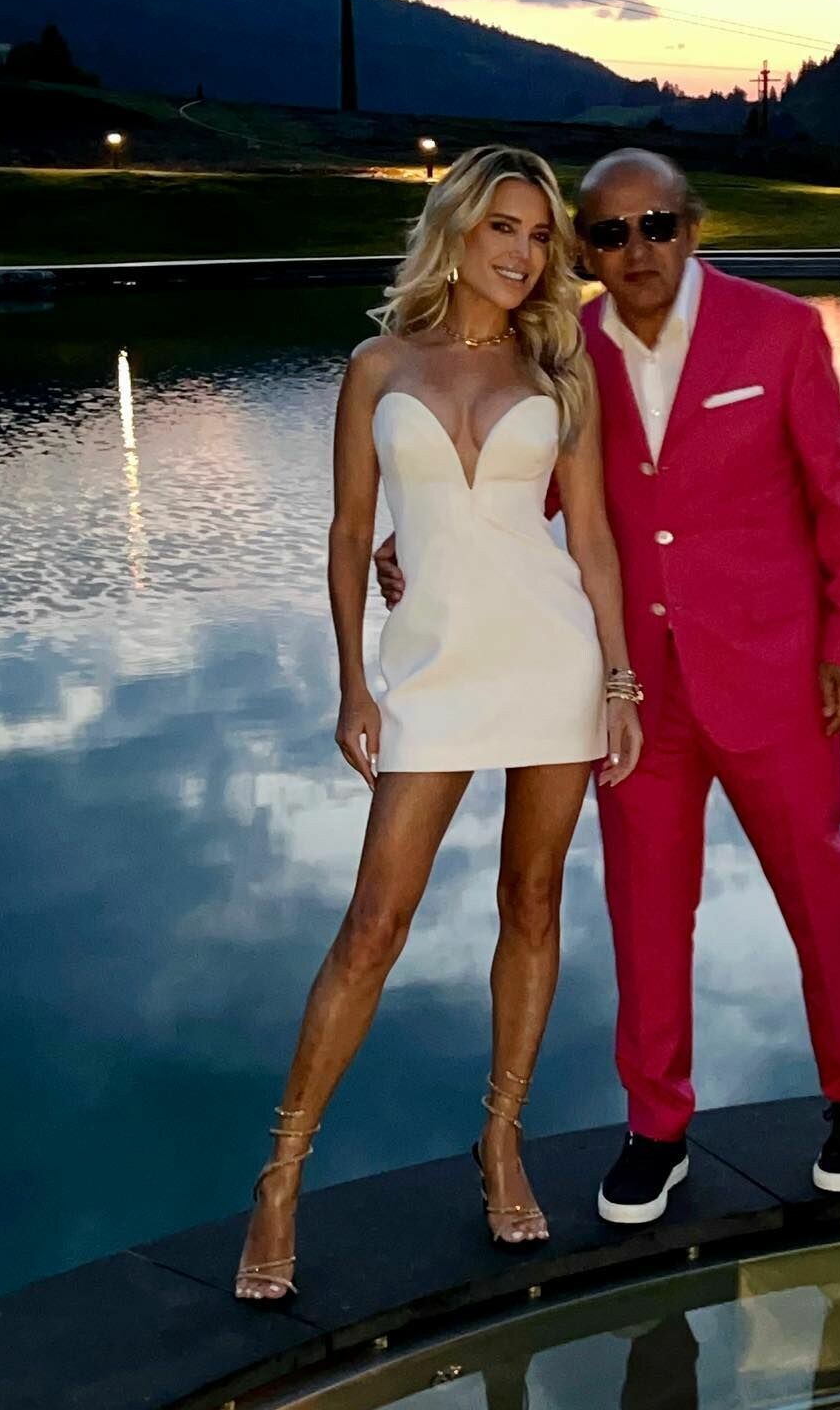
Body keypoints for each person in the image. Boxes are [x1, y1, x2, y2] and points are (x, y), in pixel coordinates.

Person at [378, 148, 840, 1223]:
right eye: (609, 234)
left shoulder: (781, 332)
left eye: (656, 225)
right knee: (646, 912)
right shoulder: (566, 348)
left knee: (818, 890)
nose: (637, 249)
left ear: (691, 228)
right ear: (585, 249)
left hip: (776, 673)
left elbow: (838, 497)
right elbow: (536, 481)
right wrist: (418, 536)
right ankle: (656, 1128)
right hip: (631, 690)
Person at [234, 145, 643, 1302]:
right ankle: (280, 1178)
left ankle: (501, 1139)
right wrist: (353, 684)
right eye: (503, 227)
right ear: (457, 232)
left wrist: (619, 681)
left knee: (533, 901)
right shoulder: (377, 366)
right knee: (374, 924)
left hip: (552, 658)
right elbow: (347, 531)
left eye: (540, 235)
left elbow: (592, 538)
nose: (523, 253)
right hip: (428, 672)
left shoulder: (560, 372)